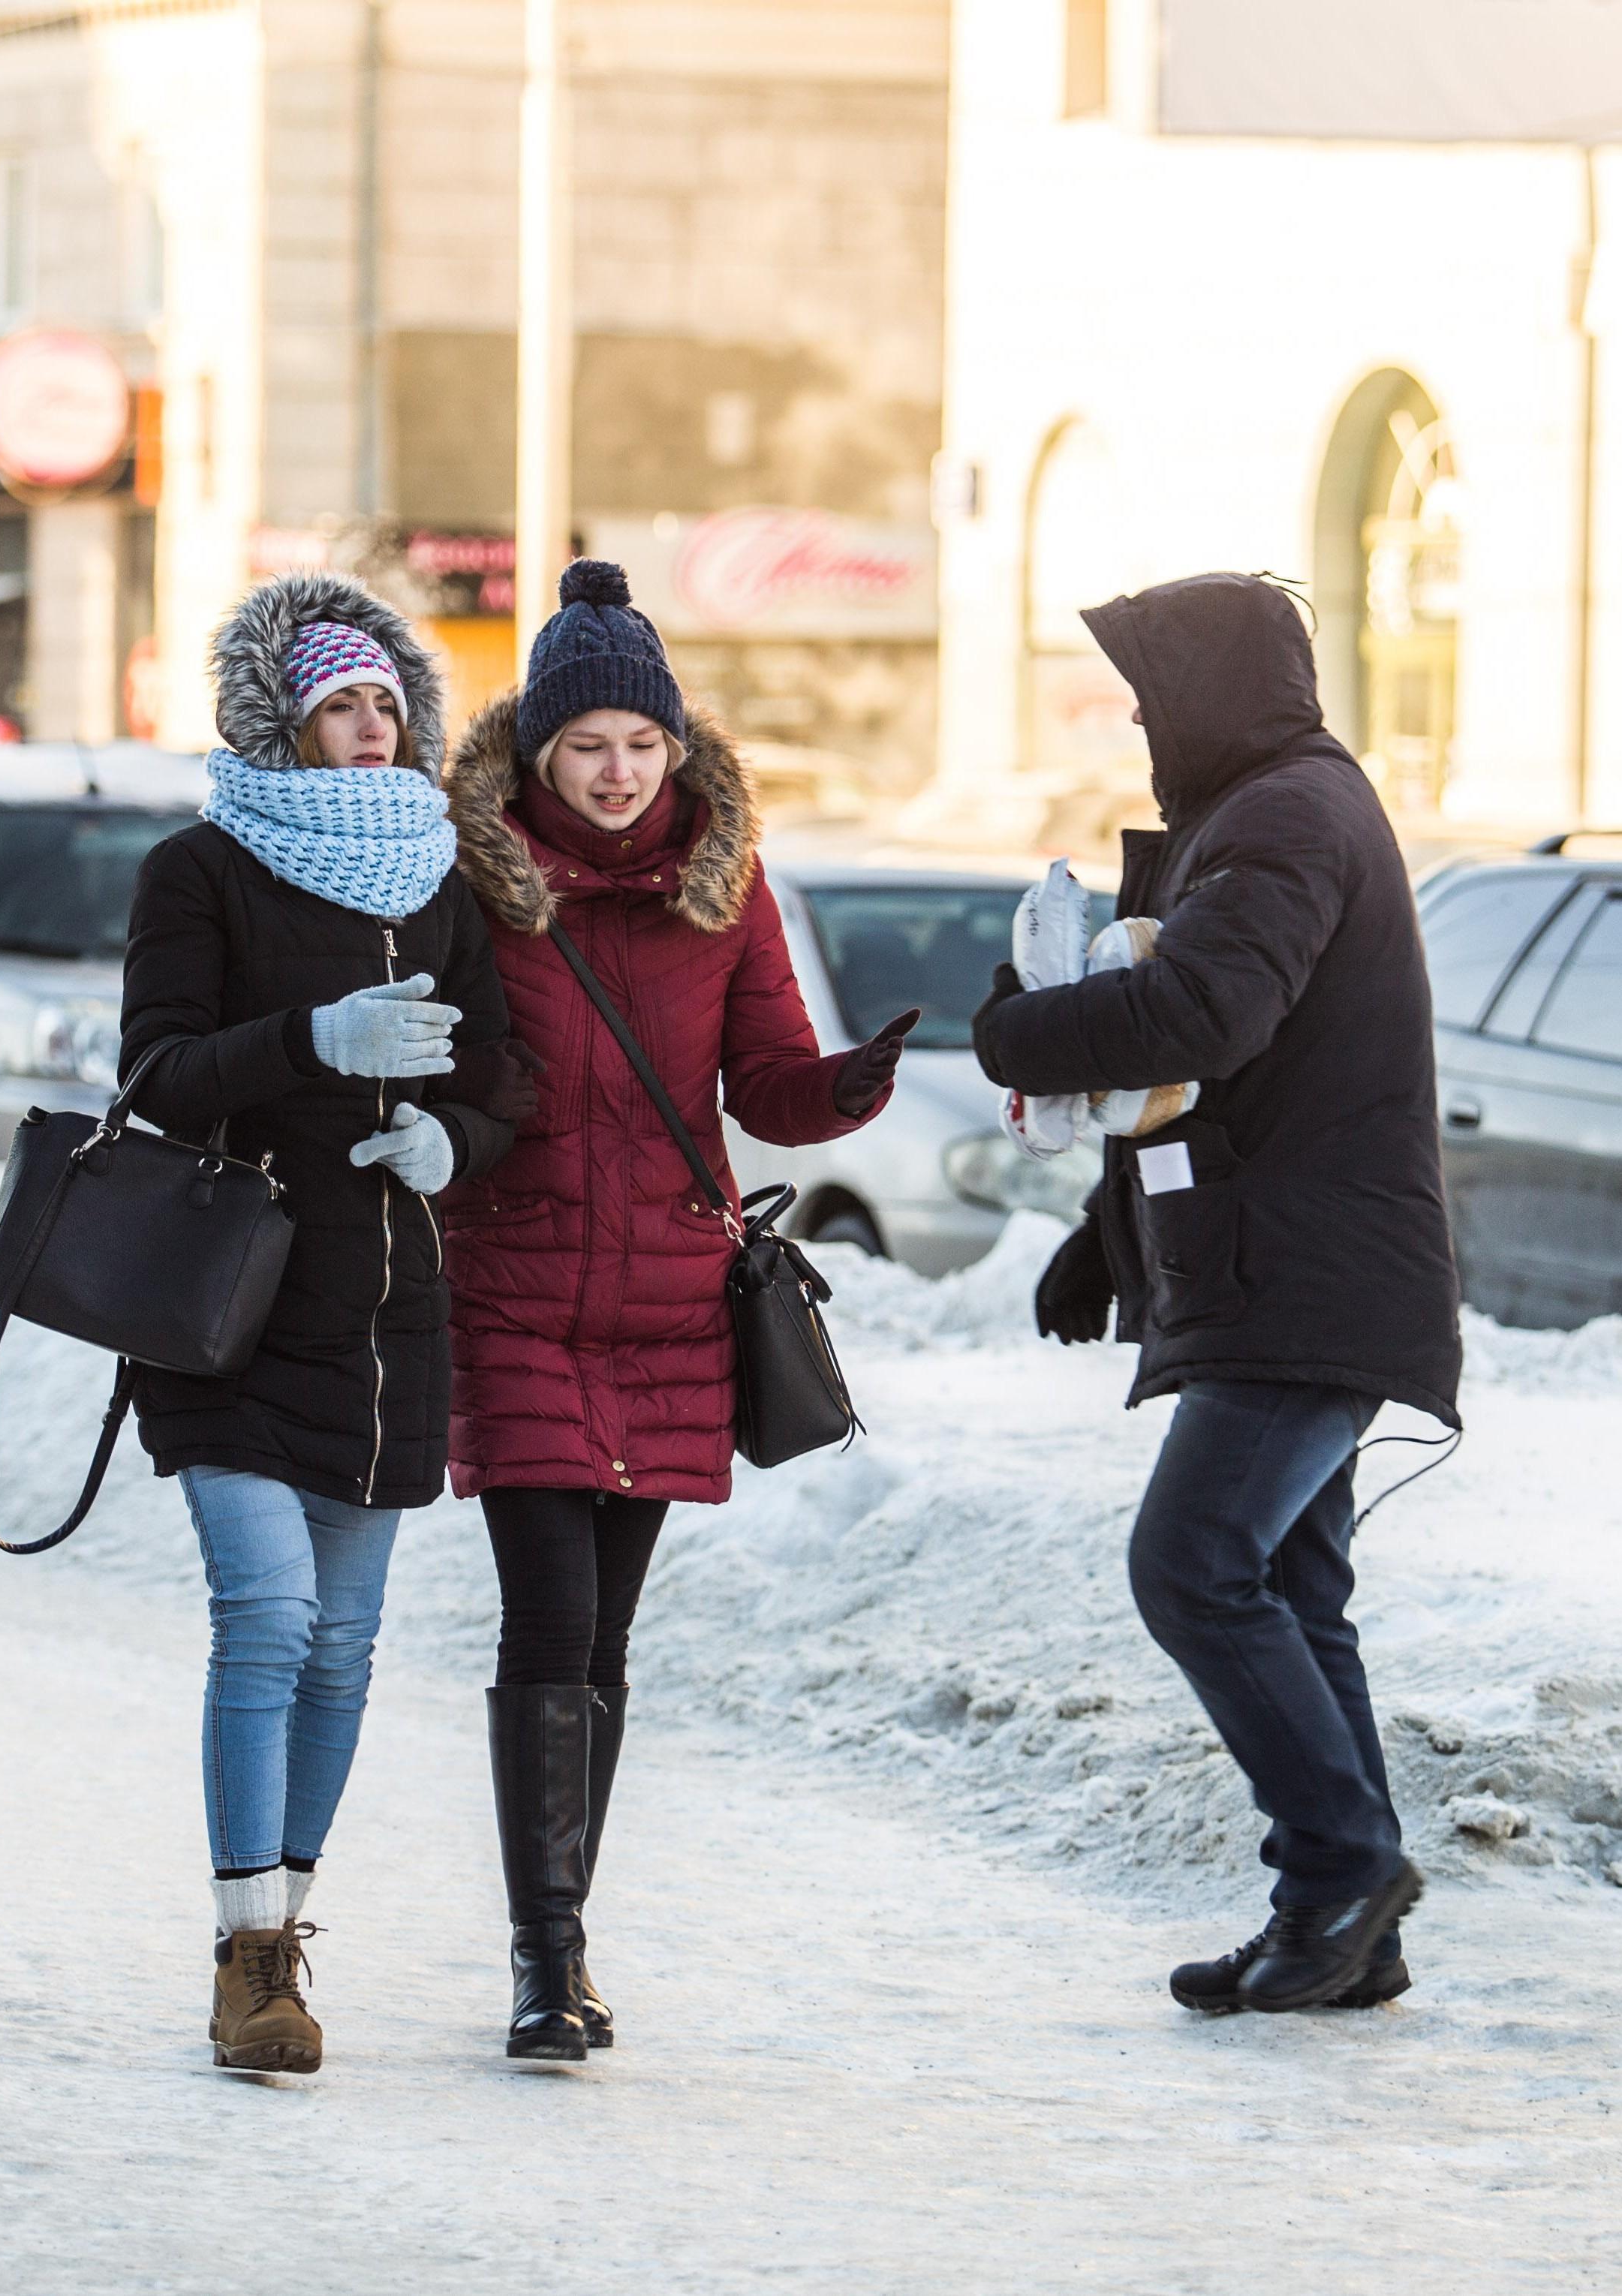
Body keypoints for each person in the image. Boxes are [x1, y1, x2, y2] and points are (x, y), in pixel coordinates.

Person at [971, 572, 1463, 2016]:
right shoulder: (1258, 814)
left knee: (1191, 1564)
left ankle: (1340, 1871)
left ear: (1209, 691)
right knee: (1292, 1585)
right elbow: (1204, 1090)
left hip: (1313, 1278)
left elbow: (1206, 1016)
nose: (1136, 718)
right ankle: (1344, 1925)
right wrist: (1106, 1239)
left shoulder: (1286, 816)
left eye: (1149, 691)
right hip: (1292, 1263)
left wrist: (1021, 1039)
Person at [441, 559, 912, 2060]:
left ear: (673, 746)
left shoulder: (724, 886)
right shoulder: (480, 886)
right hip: (509, 1287)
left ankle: (565, 1943)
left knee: (608, 1641)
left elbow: (764, 1077)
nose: (616, 771)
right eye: (586, 747)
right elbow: (443, 1066)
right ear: (536, 755)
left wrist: (843, 1085)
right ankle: (540, 1963)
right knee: (552, 1614)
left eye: (639, 744)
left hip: (665, 1304)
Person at [118, 573, 515, 2075]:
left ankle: (288, 1920)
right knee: (268, 1615)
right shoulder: (200, 872)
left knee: (343, 1647)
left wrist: (452, 1147)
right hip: (228, 1306)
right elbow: (155, 1075)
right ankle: (250, 1957)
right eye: (340, 704)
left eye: (387, 705)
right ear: (281, 725)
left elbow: (505, 1083)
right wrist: (308, 1043)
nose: (371, 727)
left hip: (390, 1315)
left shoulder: (438, 884)